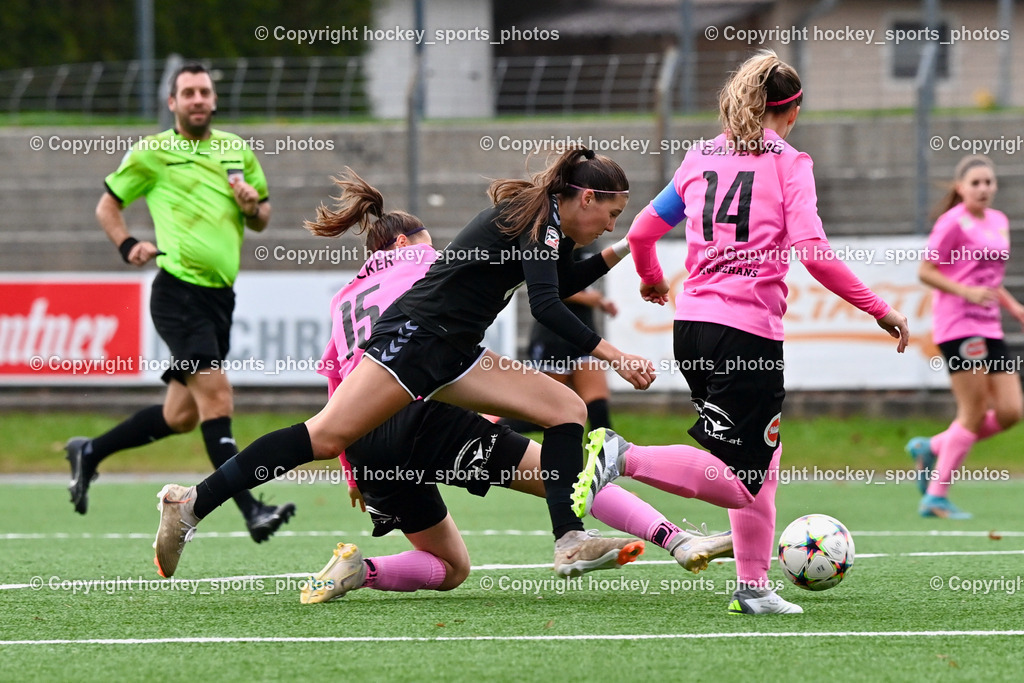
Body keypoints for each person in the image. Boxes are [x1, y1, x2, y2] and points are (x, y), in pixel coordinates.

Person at [152, 147, 659, 579]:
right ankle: (191, 504)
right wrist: (615, 355)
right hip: (416, 340)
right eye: (611, 216)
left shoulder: (543, 221)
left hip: (455, 351)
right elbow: (546, 305)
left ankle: (569, 540)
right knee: (325, 438)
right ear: (586, 197)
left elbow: (562, 285)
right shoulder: (534, 216)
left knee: (566, 409)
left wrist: (626, 248)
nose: (610, 225)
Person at [287, 170, 731, 602]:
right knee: (566, 473)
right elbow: (531, 292)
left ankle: (363, 570)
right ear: (404, 244)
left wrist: (350, 468)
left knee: (450, 568)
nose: (437, 250)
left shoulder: (343, 299)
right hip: (422, 404)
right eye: (428, 244)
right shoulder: (426, 261)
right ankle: (675, 540)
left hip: (366, 440)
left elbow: (334, 379)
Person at [584, 49, 909, 615]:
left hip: (693, 329)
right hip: (746, 337)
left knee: (763, 463)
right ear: (794, 109)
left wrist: (653, 280)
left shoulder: (702, 154)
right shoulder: (789, 162)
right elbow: (814, 254)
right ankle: (620, 454)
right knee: (741, 481)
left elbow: (639, 232)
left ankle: (753, 587)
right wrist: (878, 308)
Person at [65, 62, 295, 542]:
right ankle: (250, 508)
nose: (196, 99)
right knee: (218, 398)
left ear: (213, 100)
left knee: (181, 416)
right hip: (177, 293)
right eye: (187, 92)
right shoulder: (153, 153)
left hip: (219, 299)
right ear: (172, 103)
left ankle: (89, 452)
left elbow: (263, 219)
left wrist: (253, 205)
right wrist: (129, 245)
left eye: (203, 92)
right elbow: (108, 204)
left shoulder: (236, 149)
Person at [905, 155, 1024, 519]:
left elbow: (988, 275)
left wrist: (1014, 307)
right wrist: (965, 292)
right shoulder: (951, 223)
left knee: (1010, 412)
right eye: (976, 183)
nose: (984, 188)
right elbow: (926, 271)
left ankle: (932, 447)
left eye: (989, 182)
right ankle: (936, 496)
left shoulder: (999, 221)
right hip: (959, 325)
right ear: (961, 188)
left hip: (990, 326)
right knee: (972, 412)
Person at [500, 245, 618, 434]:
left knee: (599, 412)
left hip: (586, 338)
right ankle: (490, 428)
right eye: (610, 214)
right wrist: (588, 299)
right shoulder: (554, 243)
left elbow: (581, 285)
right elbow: (547, 289)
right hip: (553, 338)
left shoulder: (591, 241)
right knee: (541, 414)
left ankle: (604, 463)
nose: (609, 224)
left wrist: (601, 303)